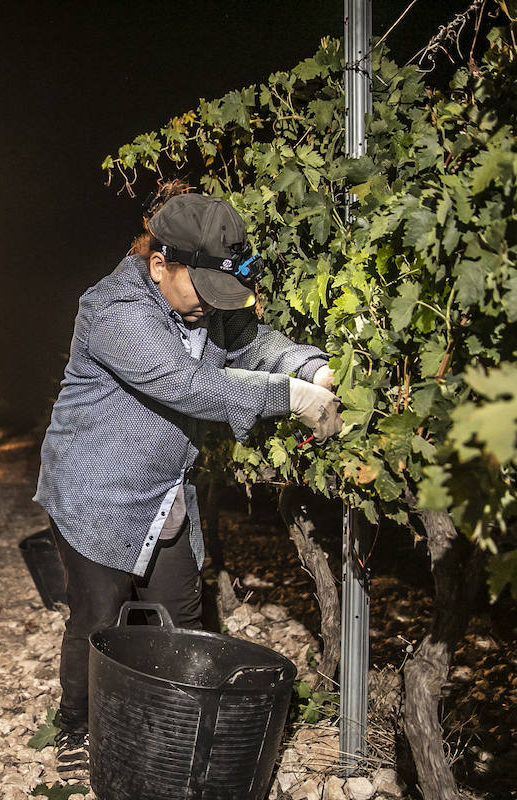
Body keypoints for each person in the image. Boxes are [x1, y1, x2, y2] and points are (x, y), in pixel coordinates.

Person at [33, 191, 341, 770]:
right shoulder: (113, 309)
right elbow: (186, 387)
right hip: (95, 494)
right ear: (159, 265)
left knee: (181, 612)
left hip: (162, 493)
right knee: (99, 617)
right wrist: (290, 397)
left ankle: (165, 724)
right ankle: (77, 727)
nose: (210, 307)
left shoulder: (199, 303)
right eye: (202, 291)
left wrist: (311, 366)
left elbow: (255, 339)